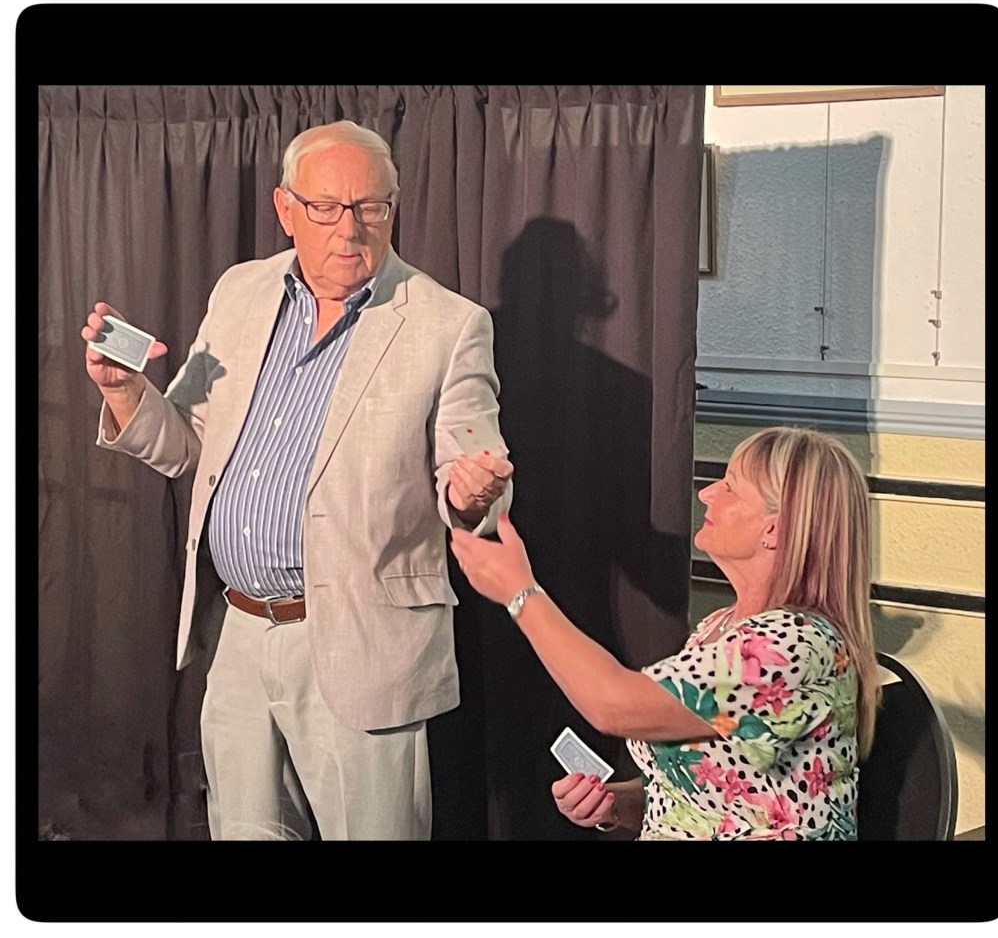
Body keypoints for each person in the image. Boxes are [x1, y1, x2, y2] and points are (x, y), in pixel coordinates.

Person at [81, 119, 513, 841]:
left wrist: (474, 494)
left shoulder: (449, 325)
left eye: (370, 206)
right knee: (246, 831)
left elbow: (472, 469)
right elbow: (187, 444)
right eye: (326, 207)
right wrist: (125, 391)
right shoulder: (240, 292)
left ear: (393, 206)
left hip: (363, 642)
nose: (350, 227)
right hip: (238, 630)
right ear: (286, 208)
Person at [451, 426, 879, 840]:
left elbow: (614, 704)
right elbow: (706, 799)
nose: (707, 493)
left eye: (731, 487)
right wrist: (615, 805)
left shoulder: (790, 645)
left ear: (774, 530)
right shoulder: (719, 627)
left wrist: (520, 593)